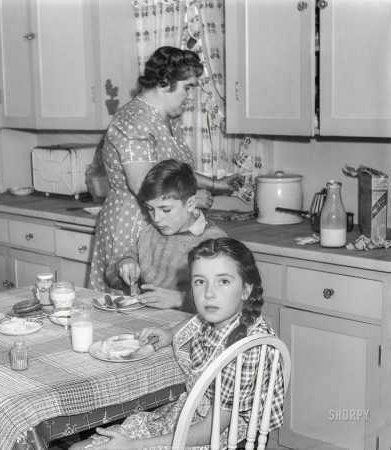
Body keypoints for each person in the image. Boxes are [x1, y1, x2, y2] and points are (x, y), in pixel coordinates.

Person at [72, 237, 285, 450]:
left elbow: (209, 431)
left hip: (216, 439)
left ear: (246, 290)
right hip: (186, 416)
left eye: (223, 281)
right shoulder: (219, 315)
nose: (209, 293)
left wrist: (134, 444)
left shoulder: (245, 351)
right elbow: (196, 320)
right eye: (200, 281)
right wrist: (170, 333)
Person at [89, 46, 242, 293]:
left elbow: (170, 171)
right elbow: (142, 184)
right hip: (135, 224)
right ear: (164, 83)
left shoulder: (167, 119)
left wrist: (214, 184)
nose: (190, 96)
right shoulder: (134, 121)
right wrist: (189, 198)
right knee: (132, 305)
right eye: (188, 87)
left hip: (160, 220)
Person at [105, 159, 226, 311]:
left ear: (190, 204)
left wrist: (181, 299)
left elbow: (229, 301)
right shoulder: (150, 232)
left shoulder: (215, 242)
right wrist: (123, 265)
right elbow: (111, 276)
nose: (156, 218)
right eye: (150, 208)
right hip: (150, 323)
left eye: (166, 210)